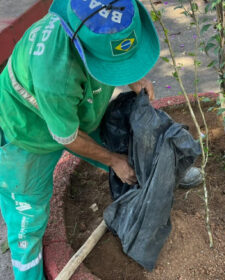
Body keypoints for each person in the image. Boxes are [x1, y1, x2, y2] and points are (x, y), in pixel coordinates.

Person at [0, 0, 201, 279]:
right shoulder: (54, 73)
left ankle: (160, 176)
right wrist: (113, 161)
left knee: (132, 152)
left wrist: (133, 75)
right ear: (82, 49)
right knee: (27, 221)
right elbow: (68, 137)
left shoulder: (102, 18)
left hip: (77, 111)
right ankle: (27, 274)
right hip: (27, 133)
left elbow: (112, 52)